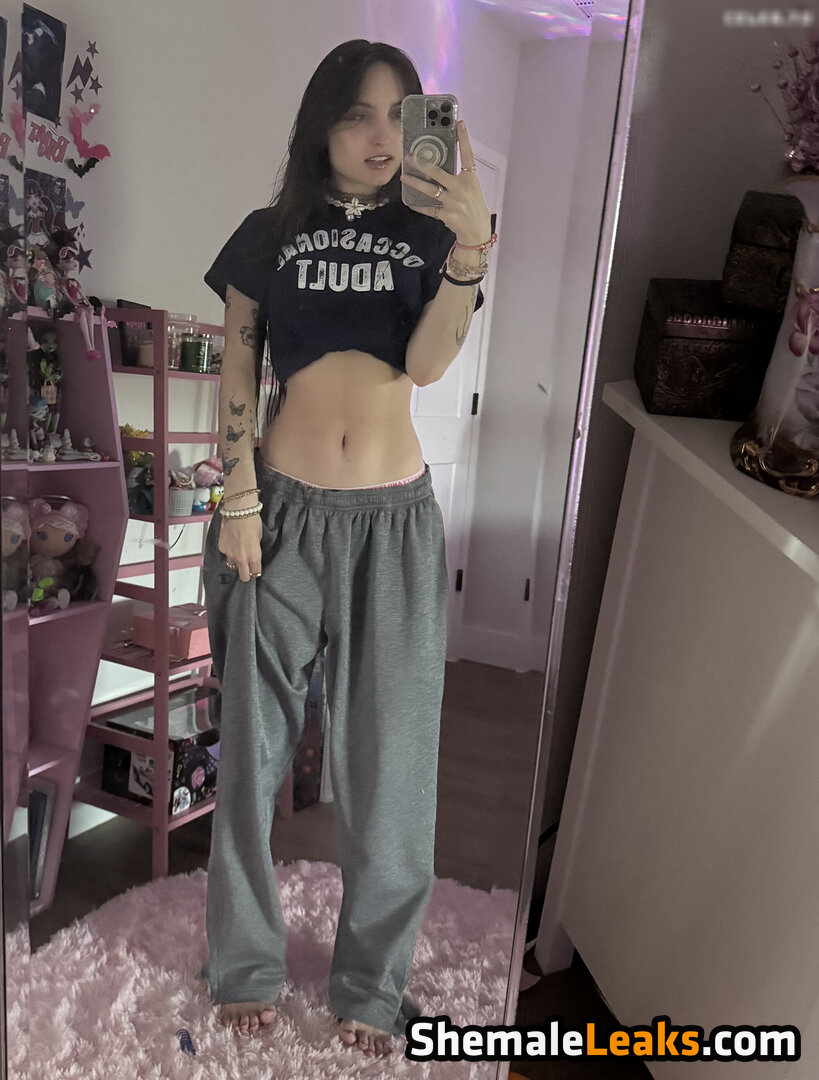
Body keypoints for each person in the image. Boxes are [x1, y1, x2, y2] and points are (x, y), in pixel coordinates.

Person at [200, 39, 493, 1059]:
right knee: (253, 751)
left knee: (392, 762)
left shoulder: (432, 235)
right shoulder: (267, 234)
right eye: (358, 113)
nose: (380, 136)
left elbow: (427, 365)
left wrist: (470, 249)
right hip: (278, 514)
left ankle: (371, 982)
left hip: (392, 526)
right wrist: (237, 497)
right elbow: (237, 371)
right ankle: (244, 963)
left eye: (398, 115)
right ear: (320, 122)